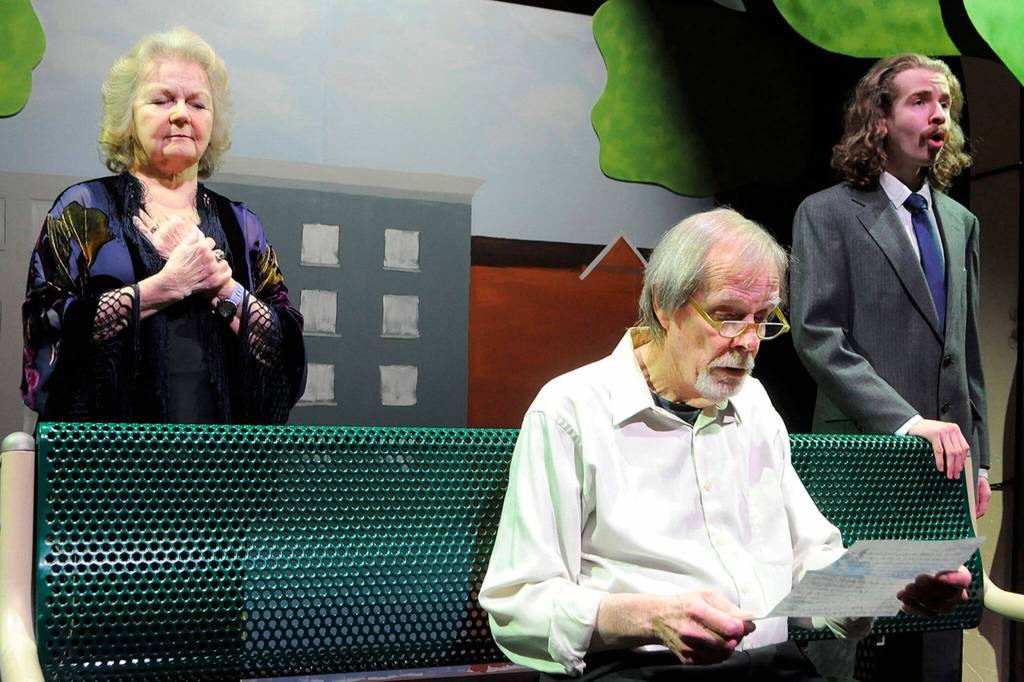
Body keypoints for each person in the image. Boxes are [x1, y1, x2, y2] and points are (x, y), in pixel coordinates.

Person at [479, 208, 970, 680]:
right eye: (728, 316)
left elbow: (810, 566)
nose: (750, 341)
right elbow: (518, 603)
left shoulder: (753, 404)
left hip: (775, 665)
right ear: (663, 307)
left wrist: (886, 587)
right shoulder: (572, 411)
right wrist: (648, 618)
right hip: (641, 669)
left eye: (762, 318)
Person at [790, 54, 987, 681]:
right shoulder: (827, 213)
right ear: (879, 117)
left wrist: (978, 459)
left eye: (946, 104)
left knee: (933, 644)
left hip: (943, 472)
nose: (938, 115)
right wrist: (906, 424)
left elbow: (967, 352)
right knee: (849, 645)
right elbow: (819, 338)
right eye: (921, 100)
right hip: (861, 463)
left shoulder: (961, 223)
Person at [21, 26, 305, 424]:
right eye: (162, 99)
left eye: (197, 104)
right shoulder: (83, 209)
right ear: (129, 115)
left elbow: (286, 352)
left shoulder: (242, 226)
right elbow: (44, 332)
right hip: (109, 470)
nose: (180, 114)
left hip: (226, 472)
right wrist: (163, 287)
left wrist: (221, 287)